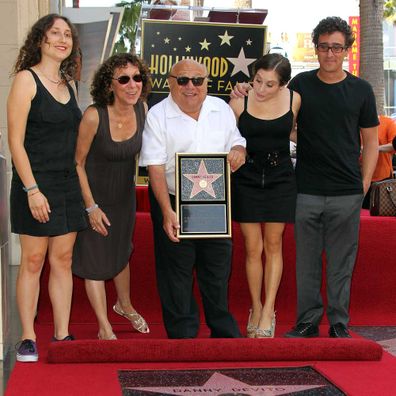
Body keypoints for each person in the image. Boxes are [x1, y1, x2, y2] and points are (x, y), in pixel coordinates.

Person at [232, 17, 379, 338]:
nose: (330, 53)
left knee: (342, 262)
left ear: (347, 49)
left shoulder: (361, 90)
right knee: (307, 261)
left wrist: (364, 184)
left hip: (346, 191)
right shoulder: (298, 86)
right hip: (305, 188)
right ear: (316, 48)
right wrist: (244, 90)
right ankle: (307, 322)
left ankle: (339, 323)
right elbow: (276, 115)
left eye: (336, 47)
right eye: (324, 46)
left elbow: (371, 142)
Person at [140, 59, 246, 339]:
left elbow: (237, 141)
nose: (191, 87)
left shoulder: (221, 109)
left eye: (197, 80)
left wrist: (238, 150)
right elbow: (154, 166)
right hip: (173, 199)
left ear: (206, 83)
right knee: (176, 268)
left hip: (214, 201)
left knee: (217, 266)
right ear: (171, 82)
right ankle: (182, 334)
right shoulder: (157, 114)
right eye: (183, 80)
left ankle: (222, 330)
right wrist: (166, 211)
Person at [7, 14, 86, 362]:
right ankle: (27, 337)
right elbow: (15, 141)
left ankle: (62, 332)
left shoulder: (70, 85)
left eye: (67, 34)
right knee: (34, 259)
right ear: (40, 39)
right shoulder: (26, 80)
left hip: (66, 184)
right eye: (55, 33)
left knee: (63, 259)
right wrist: (32, 190)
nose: (62, 39)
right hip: (34, 184)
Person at [72, 53, 151, 340]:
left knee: (121, 252)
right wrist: (90, 207)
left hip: (123, 199)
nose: (133, 85)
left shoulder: (142, 109)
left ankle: (124, 305)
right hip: (93, 198)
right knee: (94, 258)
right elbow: (77, 163)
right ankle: (104, 326)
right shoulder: (94, 115)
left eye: (137, 77)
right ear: (110, 85)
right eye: (124, 79)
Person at [229, 53, 301, 338]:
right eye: (257, 80)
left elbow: (299, 133)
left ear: (283, 86)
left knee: (274, 245)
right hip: (246, 179)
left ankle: (269, 309)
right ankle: (256, 307)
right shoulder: (238, 101)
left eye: (269, 85)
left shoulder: (295, 99)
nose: (260, 89)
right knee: (251, 247)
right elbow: (230, 139)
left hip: (281, 179)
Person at [362, 115, 396, 208]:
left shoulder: (388, 122)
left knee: (382, 213)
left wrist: (373, 149)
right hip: (357, 178)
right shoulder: (353, 123)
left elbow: (393, 145)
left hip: (382, 179)